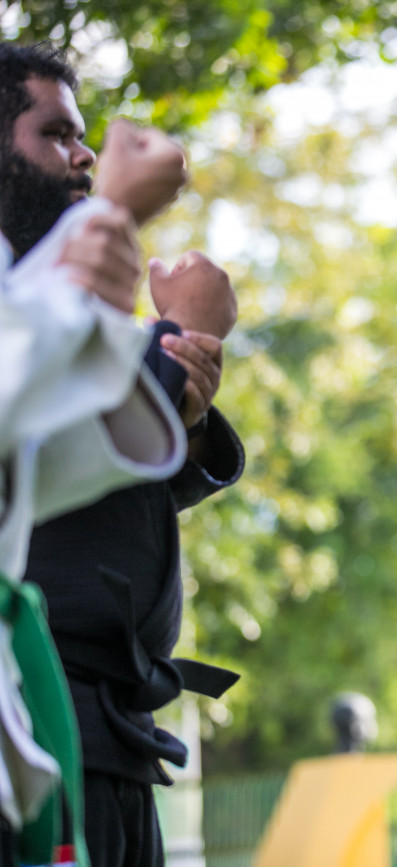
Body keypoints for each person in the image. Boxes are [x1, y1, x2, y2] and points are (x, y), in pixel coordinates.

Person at [0, 42, 243, 866]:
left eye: (83, 136)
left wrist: (181, 393)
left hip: (110, 726)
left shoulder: (46, 300)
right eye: (55, 133)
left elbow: (83, 466)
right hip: (41, 693)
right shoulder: (28, 306)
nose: (83, 154)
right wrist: (176, 335)